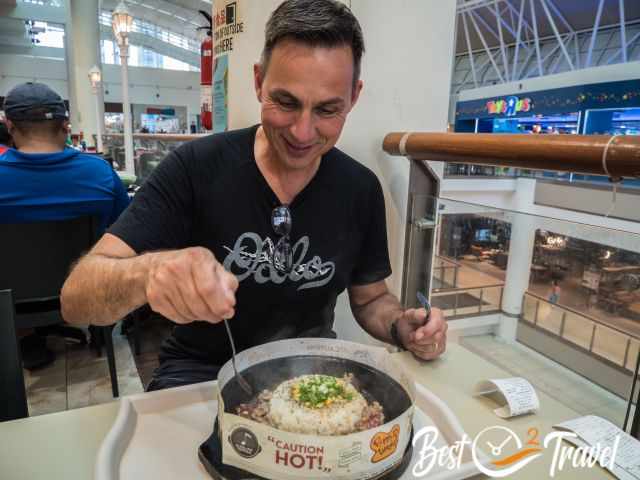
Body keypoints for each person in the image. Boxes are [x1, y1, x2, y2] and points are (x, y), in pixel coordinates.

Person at [61, 0, 447, 391]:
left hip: (307, 374)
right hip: (198, 374)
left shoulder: (360, 189)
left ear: (354, 96)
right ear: (259, 81)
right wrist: (147, 273)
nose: (302, 132)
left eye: (328, 110)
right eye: (286, 102)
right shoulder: (195, 167)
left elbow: (369, 300)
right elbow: (76, 298)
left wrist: (402, 326)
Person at [0, 82, 130, 368]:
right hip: (88, 292)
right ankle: (97, 332)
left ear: (9, 125)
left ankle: (28, 338)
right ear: (65, 125)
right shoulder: (100, 173)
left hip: (9, 305)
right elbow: (129, 228)